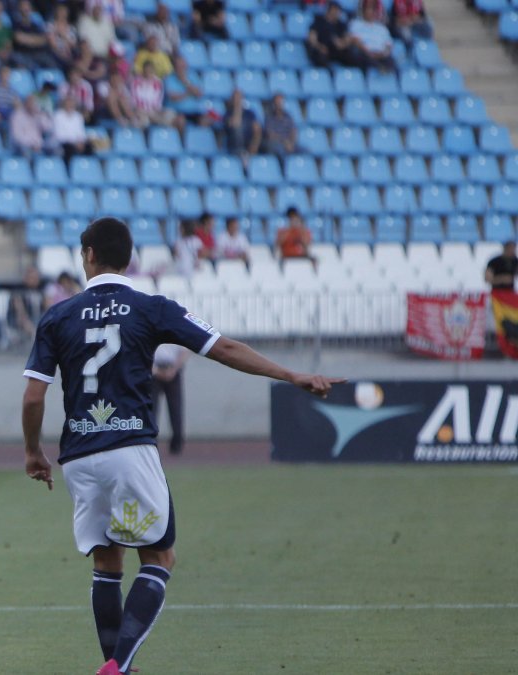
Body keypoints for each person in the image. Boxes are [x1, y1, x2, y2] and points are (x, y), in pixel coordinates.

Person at [20, 217, 343, 675]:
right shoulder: (152, 307)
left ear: (88, 255)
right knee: (159, 557)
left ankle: (115, 665)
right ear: (129, 258)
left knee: (107, 562)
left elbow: (34, 396)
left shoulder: (58, 315)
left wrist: (33, 452)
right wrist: (291, 375)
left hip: (79, 456)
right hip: (129, 448)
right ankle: (118, 666)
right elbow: (224, 348)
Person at [149, 343, 188, 455]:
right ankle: (151, 441)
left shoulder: (176, 333)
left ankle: (177, 444)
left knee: (175, 408)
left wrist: (174, 369)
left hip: (173, 368)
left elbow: (184, 351)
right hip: (153, 370)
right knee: (152, 409)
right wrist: (155, 370)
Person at [306, 3, 366, 69]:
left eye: (338, 12)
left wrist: (342, 43)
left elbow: (347, 38)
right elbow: (312, 39)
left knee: (354, 57)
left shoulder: (341, 24)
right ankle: (328, 73)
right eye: (335, 11)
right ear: (329, 11)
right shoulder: (318, 22)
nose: (337, 13)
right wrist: (320, 47)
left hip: (337, 50)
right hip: (322, 49)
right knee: (320, 56)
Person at [8, 266, 45, 343]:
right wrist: (34, 332)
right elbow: (21, 314)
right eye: (32, 278)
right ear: (26, 278)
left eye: (36, 277)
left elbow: (47, 309)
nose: (35, 280)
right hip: (18, 325)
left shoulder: (40, 291)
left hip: (35, 323)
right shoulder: (18, 292)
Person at [261, 93, 297, 157]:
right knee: (280, 151)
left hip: (288, 143)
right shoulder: (269, 117)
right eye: (277, 102)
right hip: (276, 143)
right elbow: (270, 135)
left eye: (280, 102)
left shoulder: (288, 117)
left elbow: (293, 131)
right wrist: (284, 141)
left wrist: (291, 143)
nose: (279, 104)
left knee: (305, 151)